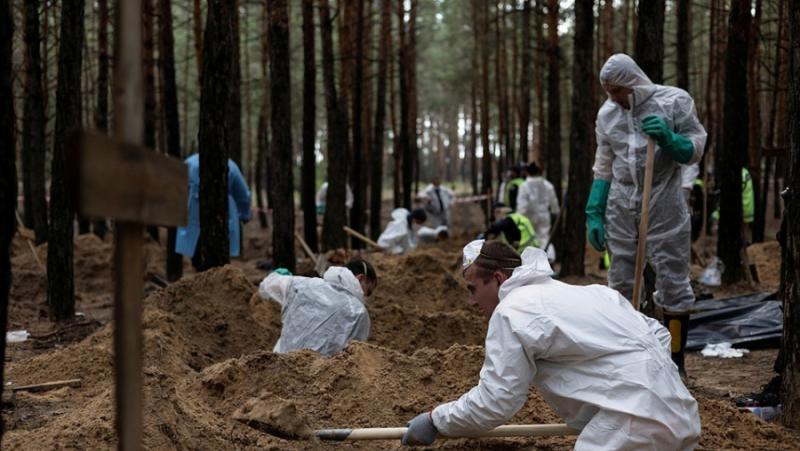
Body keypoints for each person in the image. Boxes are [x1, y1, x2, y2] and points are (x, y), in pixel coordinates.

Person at [401, 240, 700, 449]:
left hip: (631, 425)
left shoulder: (512, 312)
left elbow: (496, 401)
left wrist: (436, 420)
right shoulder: (594, 293)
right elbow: (659, 334)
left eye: (473, 289)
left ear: (498, 278)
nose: (471, 301)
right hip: (681, 413)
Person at [584, 53, 707, 376]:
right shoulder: (608, 115)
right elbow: (603, 164)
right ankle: (626, 356)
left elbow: (695, 148)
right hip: (621, 202)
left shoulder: (674, 102)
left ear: (633, 84)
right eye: (608, 92)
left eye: (617, 91)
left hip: (663, 199)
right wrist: (594, 210)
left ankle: (675, 362)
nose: (613, 98)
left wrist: (670, 139)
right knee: (620, 282)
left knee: (673, 280)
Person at [258, 259, 377, 357]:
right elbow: (355, 355)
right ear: (360, 278)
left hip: (281, 363)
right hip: (319, 374)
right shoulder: (358, 312)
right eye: (368, 291)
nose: (365, 298)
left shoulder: (303, 284)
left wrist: (281, 277)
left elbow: (267, 286)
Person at [175, 154, 251, 270]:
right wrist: (244, 215)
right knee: (219, 258)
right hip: (222, 218)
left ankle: (201, 272)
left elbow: (177, 190)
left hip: (194, 218)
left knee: (198, 255)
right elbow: (243, 195)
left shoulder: (189, 163)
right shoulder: (230, 165)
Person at [516, 162, 560, 252]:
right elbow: (553, 201)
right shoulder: (547, 185)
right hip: (544, 215)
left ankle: (532, 257)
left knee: (529, 239)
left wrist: (519, 218)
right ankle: (547, 256)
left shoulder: (524, 186)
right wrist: (555, 211)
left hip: (529, 217)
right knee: (544, 238)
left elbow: (522, 205)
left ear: (527, 172)